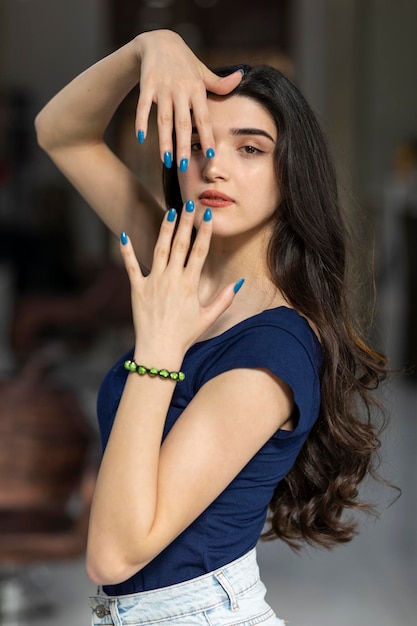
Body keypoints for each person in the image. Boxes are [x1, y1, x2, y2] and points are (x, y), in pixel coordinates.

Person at [35, 29, 387, 626]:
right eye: (197, 142)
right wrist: (148, 47)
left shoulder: (272, 349)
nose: (214, 164)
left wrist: (159, 348)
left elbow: (114, 554)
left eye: (250, 148)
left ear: (291, 171)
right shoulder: (175, 259)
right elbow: (60, 133)